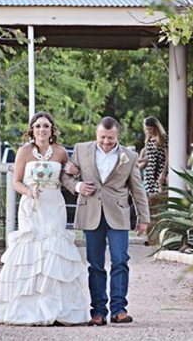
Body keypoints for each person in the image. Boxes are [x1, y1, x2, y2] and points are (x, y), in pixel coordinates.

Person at [0, 111, 90, 326]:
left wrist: (74, 173)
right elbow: (16, 181)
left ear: (51, 130)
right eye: (38, 126)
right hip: (32, 205)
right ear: (32, 129)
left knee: (53, 249)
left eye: (46, 126)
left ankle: (57, 307)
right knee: (31, 249)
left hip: (54, 204)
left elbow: (66, 178)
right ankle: (27, 307)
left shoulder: (60, 152)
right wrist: (29, 192)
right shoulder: (24, 152)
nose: (42, 129)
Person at [61, 116, 150, 327]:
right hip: (91, 213)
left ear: (117, 135)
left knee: (120, 261)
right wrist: (77, 186)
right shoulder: (81, 150)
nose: (106, 142)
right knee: (96, 265)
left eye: (110, 138)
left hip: (118, 216)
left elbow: (138, 189)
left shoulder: (129, 156)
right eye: (102, 137)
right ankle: (98, 312)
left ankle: (119, 310)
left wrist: (143, 218)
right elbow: (65, 176)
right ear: (96, 134)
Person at [138, 116, 169, 245]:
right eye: (147, 129)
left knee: (157, 206)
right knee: (149, 206)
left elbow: (167, 158)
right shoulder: (149, 139)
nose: (149, 131)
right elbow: (148, 158)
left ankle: (158, 236)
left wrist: (163, 173)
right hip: (149, 173)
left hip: (158, 172)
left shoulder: (163, 139)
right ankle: (151, 236)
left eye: (151, 129)